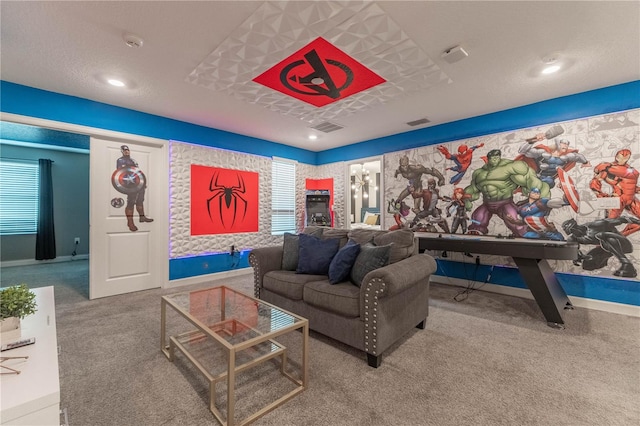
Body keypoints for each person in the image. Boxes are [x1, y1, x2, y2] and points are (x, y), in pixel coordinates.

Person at [463, 149, 550, 236]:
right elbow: (473, 188)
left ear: (499, 157)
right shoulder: (479, 173)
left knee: (514, 223)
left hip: (505, 203)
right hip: (487, 203)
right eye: (492, 158)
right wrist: (466, 199)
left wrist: (540, 195)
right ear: (488, 159)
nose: (494, 159)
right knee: (477, 219)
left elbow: (529, 178)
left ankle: (527, 237)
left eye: (496, 157)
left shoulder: (510, 167)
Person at [562, 216, 640, 278]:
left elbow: (621, 219)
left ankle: (626, 264)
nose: (575, 232)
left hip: (622, 244)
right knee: (588, 264)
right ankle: (606, 266)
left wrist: (637, 222)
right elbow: (573, 251)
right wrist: (579, 256)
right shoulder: (573, 238)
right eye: (571, 231)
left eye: (575, 228)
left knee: (602, 236)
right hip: (605, 248)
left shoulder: (595, 225)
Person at [590, 149, 640, 236]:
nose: (623, 160)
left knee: (609, 225)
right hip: (618, 199)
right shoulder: (607, 168)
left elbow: (629, 186)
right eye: (621, 157)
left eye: (626, 158)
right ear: (617, 157)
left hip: (631, 199)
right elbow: (595, 181)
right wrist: (600, 194)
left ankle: (621, 236)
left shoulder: (629, 169)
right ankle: (601, 245)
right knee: (608, 224)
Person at [518, 137, 589, 188]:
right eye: (563, 143)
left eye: (567, 144)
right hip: (536, 177)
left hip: (549, 180)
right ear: (557, 144)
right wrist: (533, 140)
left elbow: (578, 157)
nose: (565, 145)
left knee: (548, 183)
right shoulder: (542, 152)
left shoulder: (567, 156)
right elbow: (522, 151)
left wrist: (585, 163)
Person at [116, 145, 153, 232]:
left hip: (138, 184)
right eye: (125, 150)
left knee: (140, 200)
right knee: (131, 203)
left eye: (127, 150)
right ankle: (130, 222)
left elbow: (137, 172)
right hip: (129, 185)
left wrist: (142, 183)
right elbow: (120, 172)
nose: (127, 152)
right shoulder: (120, 160)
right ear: (122, 151)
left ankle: (142, 217)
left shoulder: (133, 160)